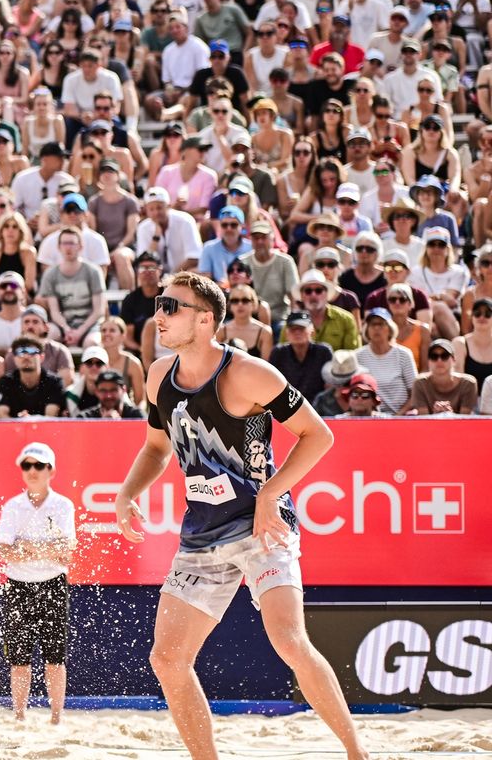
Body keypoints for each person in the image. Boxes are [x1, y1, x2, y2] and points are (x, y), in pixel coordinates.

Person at [117, 271, 370, 760]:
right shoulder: (156, 375)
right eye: (160, 305)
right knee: (168, 660)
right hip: (203, 535)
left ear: (206, 319)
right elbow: (155, 447)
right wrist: (127, 492)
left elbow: (318, 435)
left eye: (172, 306)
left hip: (262, 526)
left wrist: (272, 493)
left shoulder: (250, 372)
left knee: (290, 642)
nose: (160, 315)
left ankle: (357, 754)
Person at [0, 441, 75, 725]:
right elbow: (3, 549)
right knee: (19, 659)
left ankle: (56, 718)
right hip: (18, 585)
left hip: (53, 583)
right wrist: (45, 549)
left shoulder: (63, 505)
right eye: (27, 465)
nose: (32, 471)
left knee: (55, 657)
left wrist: (26, 547)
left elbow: (67, 548)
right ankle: (19, 716)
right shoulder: (13, 506)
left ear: (51, 470)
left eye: (38, 465)